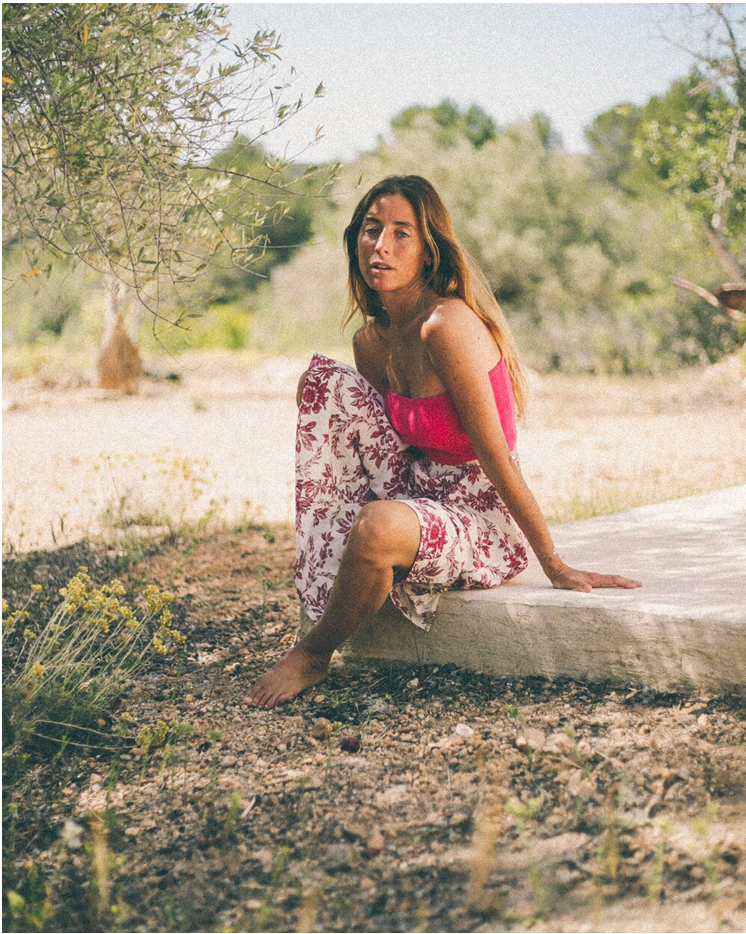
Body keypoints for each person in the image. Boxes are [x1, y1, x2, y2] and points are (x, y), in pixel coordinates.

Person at [244, 175, 641, 710]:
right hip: (419, 487)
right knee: (321, 382)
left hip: (483, 518)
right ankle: (350, 558)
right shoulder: (372, 340)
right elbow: (392, 443)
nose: (380, 245)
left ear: (429, 253)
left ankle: (313, 653)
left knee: (378, 526)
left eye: (401, 233)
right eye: (371, 228)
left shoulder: (445, 326)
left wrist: (552, 560)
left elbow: (497, 457)